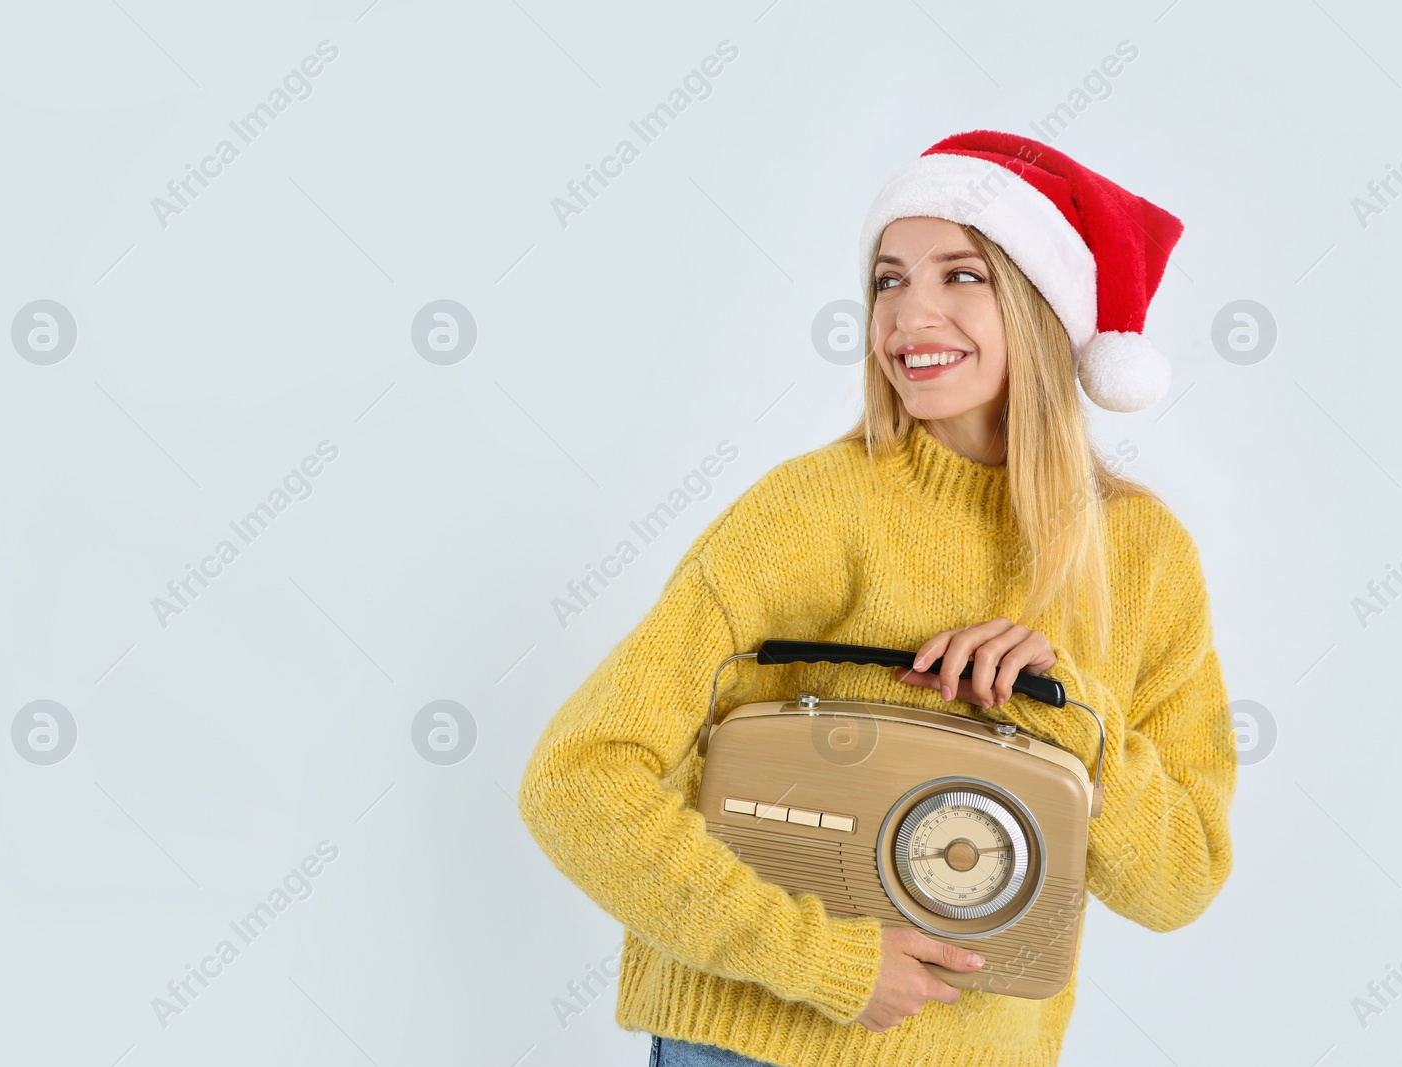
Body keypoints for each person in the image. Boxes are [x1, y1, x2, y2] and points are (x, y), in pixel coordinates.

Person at [517, 129, 1237, 1067]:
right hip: (750, 1047)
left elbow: (1180, 883)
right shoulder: (809, 511)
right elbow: (577, 781)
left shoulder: (1145, 557)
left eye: (962, 275)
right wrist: (827, 960)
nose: (909, 317)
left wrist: (1080, 727)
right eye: (888, 280)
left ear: (1042, 303)